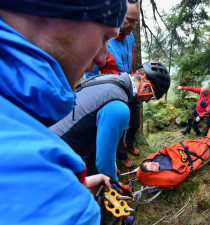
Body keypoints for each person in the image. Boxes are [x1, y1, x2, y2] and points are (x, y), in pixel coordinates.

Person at [0, 0, 128, 224]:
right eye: (104, 38)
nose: (101, 58)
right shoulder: (67, 208)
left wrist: (77, 184)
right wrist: (72, 195)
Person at [50, 61, 171, 181]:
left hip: (50, 137)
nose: (148, 101)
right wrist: (115, 185)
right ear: (146, 87)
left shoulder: (108, 79)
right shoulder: (119, 108)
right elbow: (103, 164)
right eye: (152, 96)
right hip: (58, 160)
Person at [85, 1, 140, 168]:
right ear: (119, 15)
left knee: (135, 122)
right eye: (130, 20)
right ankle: (121, 154)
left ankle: (128, 144)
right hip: (113, 94)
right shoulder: (105, 39)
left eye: (136, 21)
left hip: (131, 87)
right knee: (119, 126)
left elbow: (131, 58)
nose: (134, 25)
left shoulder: (130, 37)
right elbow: (91, 76)